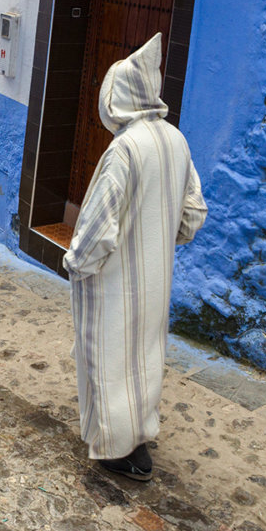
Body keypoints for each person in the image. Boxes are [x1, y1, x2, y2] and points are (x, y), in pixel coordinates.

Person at [62, 33, 207, 481]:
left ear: (119, 97)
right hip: (155, 278)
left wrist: (76, 264)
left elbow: (96, 228)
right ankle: (139, 438)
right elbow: (192, 215)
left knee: (107, 357)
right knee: (144, 356)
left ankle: (116, 449)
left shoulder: (124, 149)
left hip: (114, 281)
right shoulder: (174, 139)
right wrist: (158, 239)